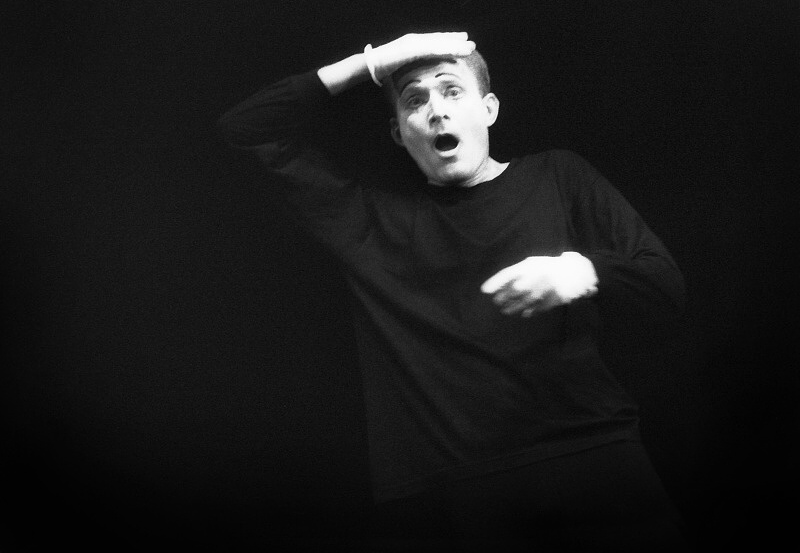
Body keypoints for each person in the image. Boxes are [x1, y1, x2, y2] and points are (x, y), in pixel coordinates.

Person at [216, 32, 692, 552]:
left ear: (488, 109)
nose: (436, 111)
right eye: (414, 101)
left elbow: (663, 284)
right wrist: (370, 64)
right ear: (399, 133)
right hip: (460, 493)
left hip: (594, 462)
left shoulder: (557, 176)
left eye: (452, 91)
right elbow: (246, 129)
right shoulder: (372, 224)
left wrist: (582, 273)